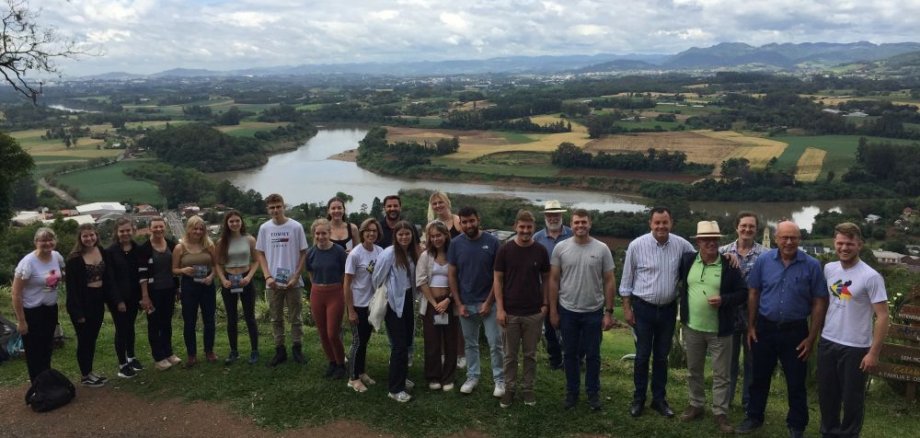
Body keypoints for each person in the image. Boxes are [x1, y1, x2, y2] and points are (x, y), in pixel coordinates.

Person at [736, 221, 828, 438]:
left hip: (796, 331)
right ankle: (754, 416)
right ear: (776, 239)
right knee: (759, 377)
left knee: (796, 381)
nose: (788, 242)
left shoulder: (812, 265)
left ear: (799, 239)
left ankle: (797, 424)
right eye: (784, 237)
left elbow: (819, 301)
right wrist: (751, 326)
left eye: (793, 238)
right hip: (764, 328)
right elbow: (754, 293)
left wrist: (812, 337)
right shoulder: (764, 261)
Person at [619, 207, 694, 418]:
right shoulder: (636, 246)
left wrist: (727, 259)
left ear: (671, 223)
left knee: (662, 357)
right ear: (650, 224)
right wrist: (626, 309)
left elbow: (702, 259)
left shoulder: (682, 245)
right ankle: (639, 399)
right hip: (643, 309)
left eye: (665, 222)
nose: (661, 226)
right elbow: (626, 281)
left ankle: (659, 400)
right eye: (657, 222)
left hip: (668, 310)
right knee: (642, 357)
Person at [818, 222, 889, 438]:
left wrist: (873, 352)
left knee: (852, 400)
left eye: (849, 243)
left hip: (855, 347)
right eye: (840, 243)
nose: (844, 248)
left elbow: (883, 316)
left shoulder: (871, 276)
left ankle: (849, 434)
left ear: (859, 245)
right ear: (834, 243)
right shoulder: (829, 268)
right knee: (827, 396)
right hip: (828, 341)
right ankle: (828, 432)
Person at [676, 221, 748, 434]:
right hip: (692, 327)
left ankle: (720, 412)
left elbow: (743, 293)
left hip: (720, 330)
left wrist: (724, 300)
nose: (711, 243)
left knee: (722, 374)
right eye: (706, 239)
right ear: (698, 242)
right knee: (694, 370)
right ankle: (696, 404)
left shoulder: (729, 265)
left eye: (715, 239)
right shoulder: (687, 260)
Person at [548, 209, 616, 410]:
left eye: (583, 222)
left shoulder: (602, 248)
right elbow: (553, 280)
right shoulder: (561, 248)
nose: (580, 226)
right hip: (568, 310)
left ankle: (593, 393)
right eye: (576, 222)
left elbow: (609, 280)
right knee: (569, 354)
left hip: (593, 311)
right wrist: (553, 310)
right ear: (571, 224)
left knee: (593, 355)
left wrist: (609, 311)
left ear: (590, 224)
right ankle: (572, 392)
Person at [494, 210, 550, 408]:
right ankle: (509, 389)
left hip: (533, 312)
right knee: (510, 355)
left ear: (534, 228)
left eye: (529, 227)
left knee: (530, 355)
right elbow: (498, 280)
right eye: (522, 227)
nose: (525, 231)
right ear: (515, 227)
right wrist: (499, 309)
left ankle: (528, 388)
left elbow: (546, 279)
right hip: (510, 312)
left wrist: (545, 305)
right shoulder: (505, 250)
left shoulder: (540, 251)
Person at [449, 206, 504, 397]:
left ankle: (500, 380)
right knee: (470, 344)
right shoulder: (455, 244)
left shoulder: (493, 242)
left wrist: (489, 302)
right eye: (464, 222)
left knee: (495, 342)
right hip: (465, 303)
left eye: (471, 221)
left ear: (478, 219)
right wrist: (459, 303)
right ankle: (472, 376)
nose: (468, 225)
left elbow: (498, 277)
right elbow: (452, 275)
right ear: (460, 223)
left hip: (489, 302)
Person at [719, 211, 765, 412]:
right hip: (728, 315)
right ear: (736, 227)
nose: (747, 229)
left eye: (751, 226)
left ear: (756, 229)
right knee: (728, 362)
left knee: (752, 362)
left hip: (754, 316)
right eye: (743, 225)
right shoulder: (723, 251)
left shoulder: (765, 255)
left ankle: (748, 401)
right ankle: (725, 400)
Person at [256, 193, 310, 367]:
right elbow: (260, 254)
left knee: (296, 317)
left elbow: (303, 253)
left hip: (293, 282)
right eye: (272, 207)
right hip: (273, 282)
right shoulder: (264, 228)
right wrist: (267, 276)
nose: (275, 210)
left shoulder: (296, 227)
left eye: (278, 206)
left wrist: (296, 276)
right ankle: (280, 351)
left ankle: (297, 349)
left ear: (283, 206)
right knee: (276, 318)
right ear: (268, 209)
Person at [66, 223, 119, 387]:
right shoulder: (74, 260)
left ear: (96, 236)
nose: (89, 238)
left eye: (91, 235)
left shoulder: (103, 252)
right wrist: (77, 313)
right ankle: (85, 375)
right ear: (80, 238)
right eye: (85, 236)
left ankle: (89, 371)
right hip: (82, 302)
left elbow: (109, 279)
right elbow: (72, 289)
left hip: (98, 300)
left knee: (92, 338)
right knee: (84, 339)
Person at [373, 220, 420, 402]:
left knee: (407, 343)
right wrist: (388, 292)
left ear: (412, 235)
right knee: (399, 346)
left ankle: (402, 377)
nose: (404, 237)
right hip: (393, 304)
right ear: (395, 236)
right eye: (400, 234)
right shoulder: (389, 254)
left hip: (408, 301)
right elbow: (376, 278)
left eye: (407, 233)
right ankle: (395, 389)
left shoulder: (412, 253)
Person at [11, 227, 65, 382]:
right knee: (34, 351)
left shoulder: (56, 257)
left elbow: (60, 274)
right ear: (36, 242)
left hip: (50, 309)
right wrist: (21, 321)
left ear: (55, 241)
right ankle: (37, 385)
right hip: (32, 311)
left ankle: (46, 380)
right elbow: (15, 293)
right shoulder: (28, 263)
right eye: (43, 240)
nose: (47, 243)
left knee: (47, 347)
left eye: (50, 239)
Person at [416, 220, 459, 391]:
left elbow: (458, 279)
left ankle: (448, 377)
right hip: (431, 304)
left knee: (450, 342)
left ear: (446, 235)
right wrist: (434, 303)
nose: (436, 239)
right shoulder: (426, 256)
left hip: (449, 302)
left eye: (438, 235)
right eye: (432, 236)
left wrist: (448, 299)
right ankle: (433, 376)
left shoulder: (453, 255)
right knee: (432, 342)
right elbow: (421, 280)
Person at [214, 210, 260, 365]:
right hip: (228, 280)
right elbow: (218, 264)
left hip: (245, 279)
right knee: (231, 318)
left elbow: (256, 261)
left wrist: (248, 277)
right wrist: (222, 280)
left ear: (242, 222)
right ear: (227, 224)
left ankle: (254, 351)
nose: (234, 224)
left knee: (250, 317)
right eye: (231, 221)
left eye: (237, 221)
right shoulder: (222, 242)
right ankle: (234, 351)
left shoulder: (250, 239)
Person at [172, 215, 217, 367]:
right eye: (195, 228)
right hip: (189, 286)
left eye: (201, 229)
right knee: (189, 321)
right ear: (188, 229)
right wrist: (183, 270)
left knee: (209, 320)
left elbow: (217, 266)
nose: (198, 231)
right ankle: (191, 355)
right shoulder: (180, 247)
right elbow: (174, 270)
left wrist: (211, 276)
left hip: (207, 285)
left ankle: (209, 351)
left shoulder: (209, 245)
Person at [344, 218, 383, 392]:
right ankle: (352, 378)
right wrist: (350, 310)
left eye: (374, 230)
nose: (371, 233)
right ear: (362, 233)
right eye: (368, 230)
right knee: (357, 342)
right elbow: (347, 284)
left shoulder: (380, 251)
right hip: (358, 304)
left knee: (364, 341)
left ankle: (361, 371)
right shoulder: (355, 254)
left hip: (372, 304)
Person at [533, 199, 573, 370]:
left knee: (570, 328)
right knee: (550, 327)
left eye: (556, 214)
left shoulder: (572, 234)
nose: (553, 218)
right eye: (550, 215)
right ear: (545, 217)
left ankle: (573, 359)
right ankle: (554, 360)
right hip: (546, 291)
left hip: (569, 290)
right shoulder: (538, 238)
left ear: (561, 216)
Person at [306, 218, 348, 379]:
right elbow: (310, 273)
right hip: (317, 293)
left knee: (332, 333)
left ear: (329, 233)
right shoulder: (310, 252)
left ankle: (340, 364)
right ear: (314, 235)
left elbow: (345, 275)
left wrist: (342, 292)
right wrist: (317, 287)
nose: (321, 236)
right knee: (322, 333)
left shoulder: (338, 251)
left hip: (335, 293)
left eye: (324, 233)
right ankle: (332, 362)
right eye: (317, 233)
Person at [428, 191, 465, 368]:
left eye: (440, 202)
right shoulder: (433, 225)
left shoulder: (457, 221)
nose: (438, 206)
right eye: (434, 204)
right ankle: (443, 353)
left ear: (447, 202)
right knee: (440, 318)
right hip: (441, 270)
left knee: (458, 317)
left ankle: (461, 354)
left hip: (458, 271)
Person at [139, 216, 181, 371]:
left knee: (167, 323)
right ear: (150, 228)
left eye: (161, 226)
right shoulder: (144, 248)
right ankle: (158, 357)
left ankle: (168, 352)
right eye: (155, 227)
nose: (158, 229)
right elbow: (142, 274)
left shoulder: (171, 245)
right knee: (154, 324)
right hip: (152, 292)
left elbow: (175, 269)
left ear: (165, 227)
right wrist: (144, 296)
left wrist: (177, 288)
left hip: (169, 290)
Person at [105, 217, 145, 378]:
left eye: (128, 230)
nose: (125, 233)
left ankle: (131, 356)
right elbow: (109, 278)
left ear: (133, 230)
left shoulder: (138, 249)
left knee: (130, 327)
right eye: (122, 231)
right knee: (121, 329)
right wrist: (118, 300)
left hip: (134, 297)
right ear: (117, 232)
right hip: (118, 298)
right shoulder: (110, 252)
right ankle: (122, 364)